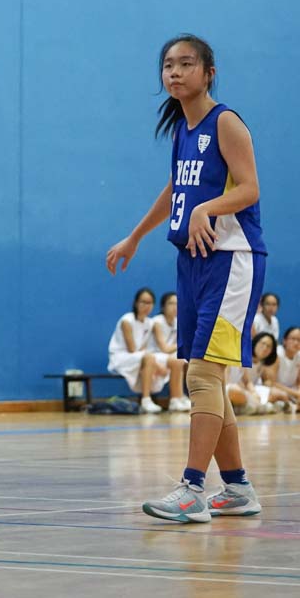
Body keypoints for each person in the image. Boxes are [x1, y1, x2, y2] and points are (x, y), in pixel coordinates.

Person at [106, 34, 263, 523]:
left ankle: (193, 489)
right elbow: (178, 188)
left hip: (231, 259)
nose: (174, 72)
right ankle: (237, 489)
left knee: (201, 375)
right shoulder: (183, 131)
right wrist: (134, 236)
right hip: (192, 260)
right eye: (168, 65)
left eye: (186, 63)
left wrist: (208, 209)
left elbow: (251, 188)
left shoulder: (226, 123)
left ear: (208, 71)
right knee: (207, 375)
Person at [107, 288, 186, 413]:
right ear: (136, 303)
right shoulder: (127, 320)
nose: (146, 306)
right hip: (122, 357)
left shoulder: (149, 323)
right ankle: (146, 399)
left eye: (149, 303)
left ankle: (175, 400)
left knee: (176, 361)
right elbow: (132, 349)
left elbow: (143, 348)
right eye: (143, 302)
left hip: (140, 356)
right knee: (150, 358)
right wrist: (157, 366)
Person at [148, 291, 191, 411]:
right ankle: (174, 399)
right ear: (163, 306)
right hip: (154, 354)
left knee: (186, 359)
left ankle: (181, 395)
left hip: (167, 356)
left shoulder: (178, 322)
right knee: (177, 359)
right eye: (171, 303)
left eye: (177, 304)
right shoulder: (157, 321)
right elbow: (164, 348)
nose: (175, 307)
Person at [270, 326, 300, 404]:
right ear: (285, 341)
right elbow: (271, 382)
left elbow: (298, 381)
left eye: (299, 340)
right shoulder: (277, 354)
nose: (296, 343)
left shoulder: (299, 356)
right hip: (275, 390)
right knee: (280, 395)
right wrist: (296, 393)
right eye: (293, 339)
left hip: (291, 390)